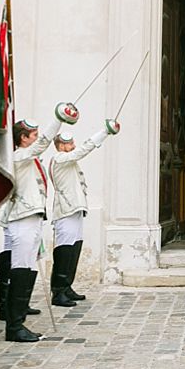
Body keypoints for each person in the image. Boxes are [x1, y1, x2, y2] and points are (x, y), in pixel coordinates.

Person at [0, 113, 64, 342]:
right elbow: (43, 143)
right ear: (24, 138)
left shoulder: (29, 158)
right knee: (21, 267)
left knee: (28, 268)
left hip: (34, 217)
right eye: (33, 136)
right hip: (22, 218)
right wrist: (58, 120)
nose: (37, 139)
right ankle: (14, 326)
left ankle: (19, 321)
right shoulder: (19, 156)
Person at [50, 123, 116, 307]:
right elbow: (82, 151)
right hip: (66, 210)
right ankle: (58, 291)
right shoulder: (60, 159)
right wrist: (103, 133)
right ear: (61, 145)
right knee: (64, 250)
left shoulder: (69, 160)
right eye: (69, 142)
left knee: (75, 247)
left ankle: (67, 286)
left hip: (75, 209)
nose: (73, 145)